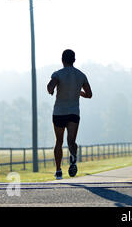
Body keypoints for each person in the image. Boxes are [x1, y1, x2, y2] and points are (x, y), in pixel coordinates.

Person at [47, 49, 92, 180]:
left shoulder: (57, 74)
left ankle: (58, 170)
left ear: (62, 60)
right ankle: (73, 160)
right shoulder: (81, 75)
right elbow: (89, 94)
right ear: (74, 60)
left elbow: (50, 88)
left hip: (59, 112)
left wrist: (53, 88)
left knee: (59, 141)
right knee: (71, 141)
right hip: (73, 112)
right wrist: (78, 92)